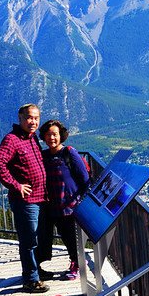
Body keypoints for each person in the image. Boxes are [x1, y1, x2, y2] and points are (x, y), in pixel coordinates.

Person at [0, 103, 49, 293]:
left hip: (40, 198)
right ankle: (31, 279)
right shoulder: (12, 140)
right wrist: (16, 186)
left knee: (37, 238)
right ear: (20, 118)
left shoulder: (32, 139)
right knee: (29, 240)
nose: (33, 122)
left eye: (36, 118)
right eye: (29, 118)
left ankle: (36, 271)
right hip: (26, 201)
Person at [38, 119, 89, 281]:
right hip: (52, 205)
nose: (51, 138)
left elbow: (84, 177)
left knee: (71, 236)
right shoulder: (43, 156)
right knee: (63, 236)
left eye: (54, 134)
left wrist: (81, 200)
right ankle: (74, 262)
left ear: (61, 136)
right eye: (48, 135)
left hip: (70, 205)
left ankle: (77, 264)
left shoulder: (69, 152)